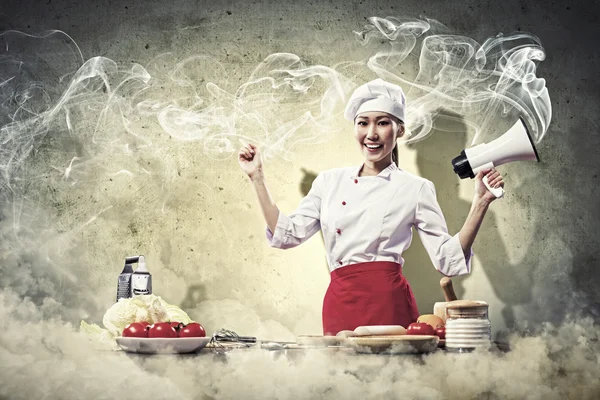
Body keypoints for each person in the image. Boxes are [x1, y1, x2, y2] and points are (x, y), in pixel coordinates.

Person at [237, 78, 504, 336]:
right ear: (355, 129)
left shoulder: (415, 188)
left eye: (383, 123)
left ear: (399, 130)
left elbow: (447, 261)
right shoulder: (329, 182)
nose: (371, 133)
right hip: (339, 303)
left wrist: (480, 202)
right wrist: (257, 178)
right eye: (363, 123)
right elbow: (287, 234)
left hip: (389, 305)